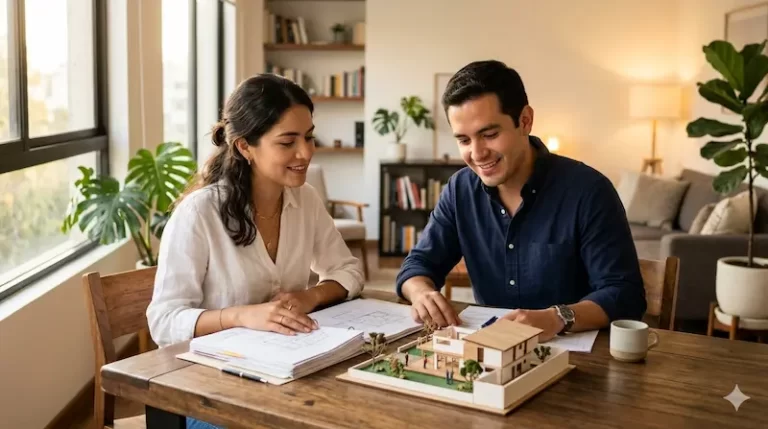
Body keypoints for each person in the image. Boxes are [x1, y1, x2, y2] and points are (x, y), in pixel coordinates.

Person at [146, 74, 364, 429]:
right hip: (208, 391)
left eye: (309, 137)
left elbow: (348, 271)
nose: (306, 152)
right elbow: (164, 321)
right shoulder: (199, 214)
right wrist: (242, 316)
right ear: (245, 147)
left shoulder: (305, 200)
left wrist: (309, 297)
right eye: (287, 142)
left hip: (284, 377)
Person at [395, 60, 646, 342]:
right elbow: (418, 264)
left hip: (576, 353)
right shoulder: (459, 190)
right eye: (464, 140)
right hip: (490, 350)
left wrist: (557, 317)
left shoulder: (589, 191)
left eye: (489, 135)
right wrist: (421, 292)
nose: (477, 154)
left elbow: (625, 295)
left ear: (525, 121)